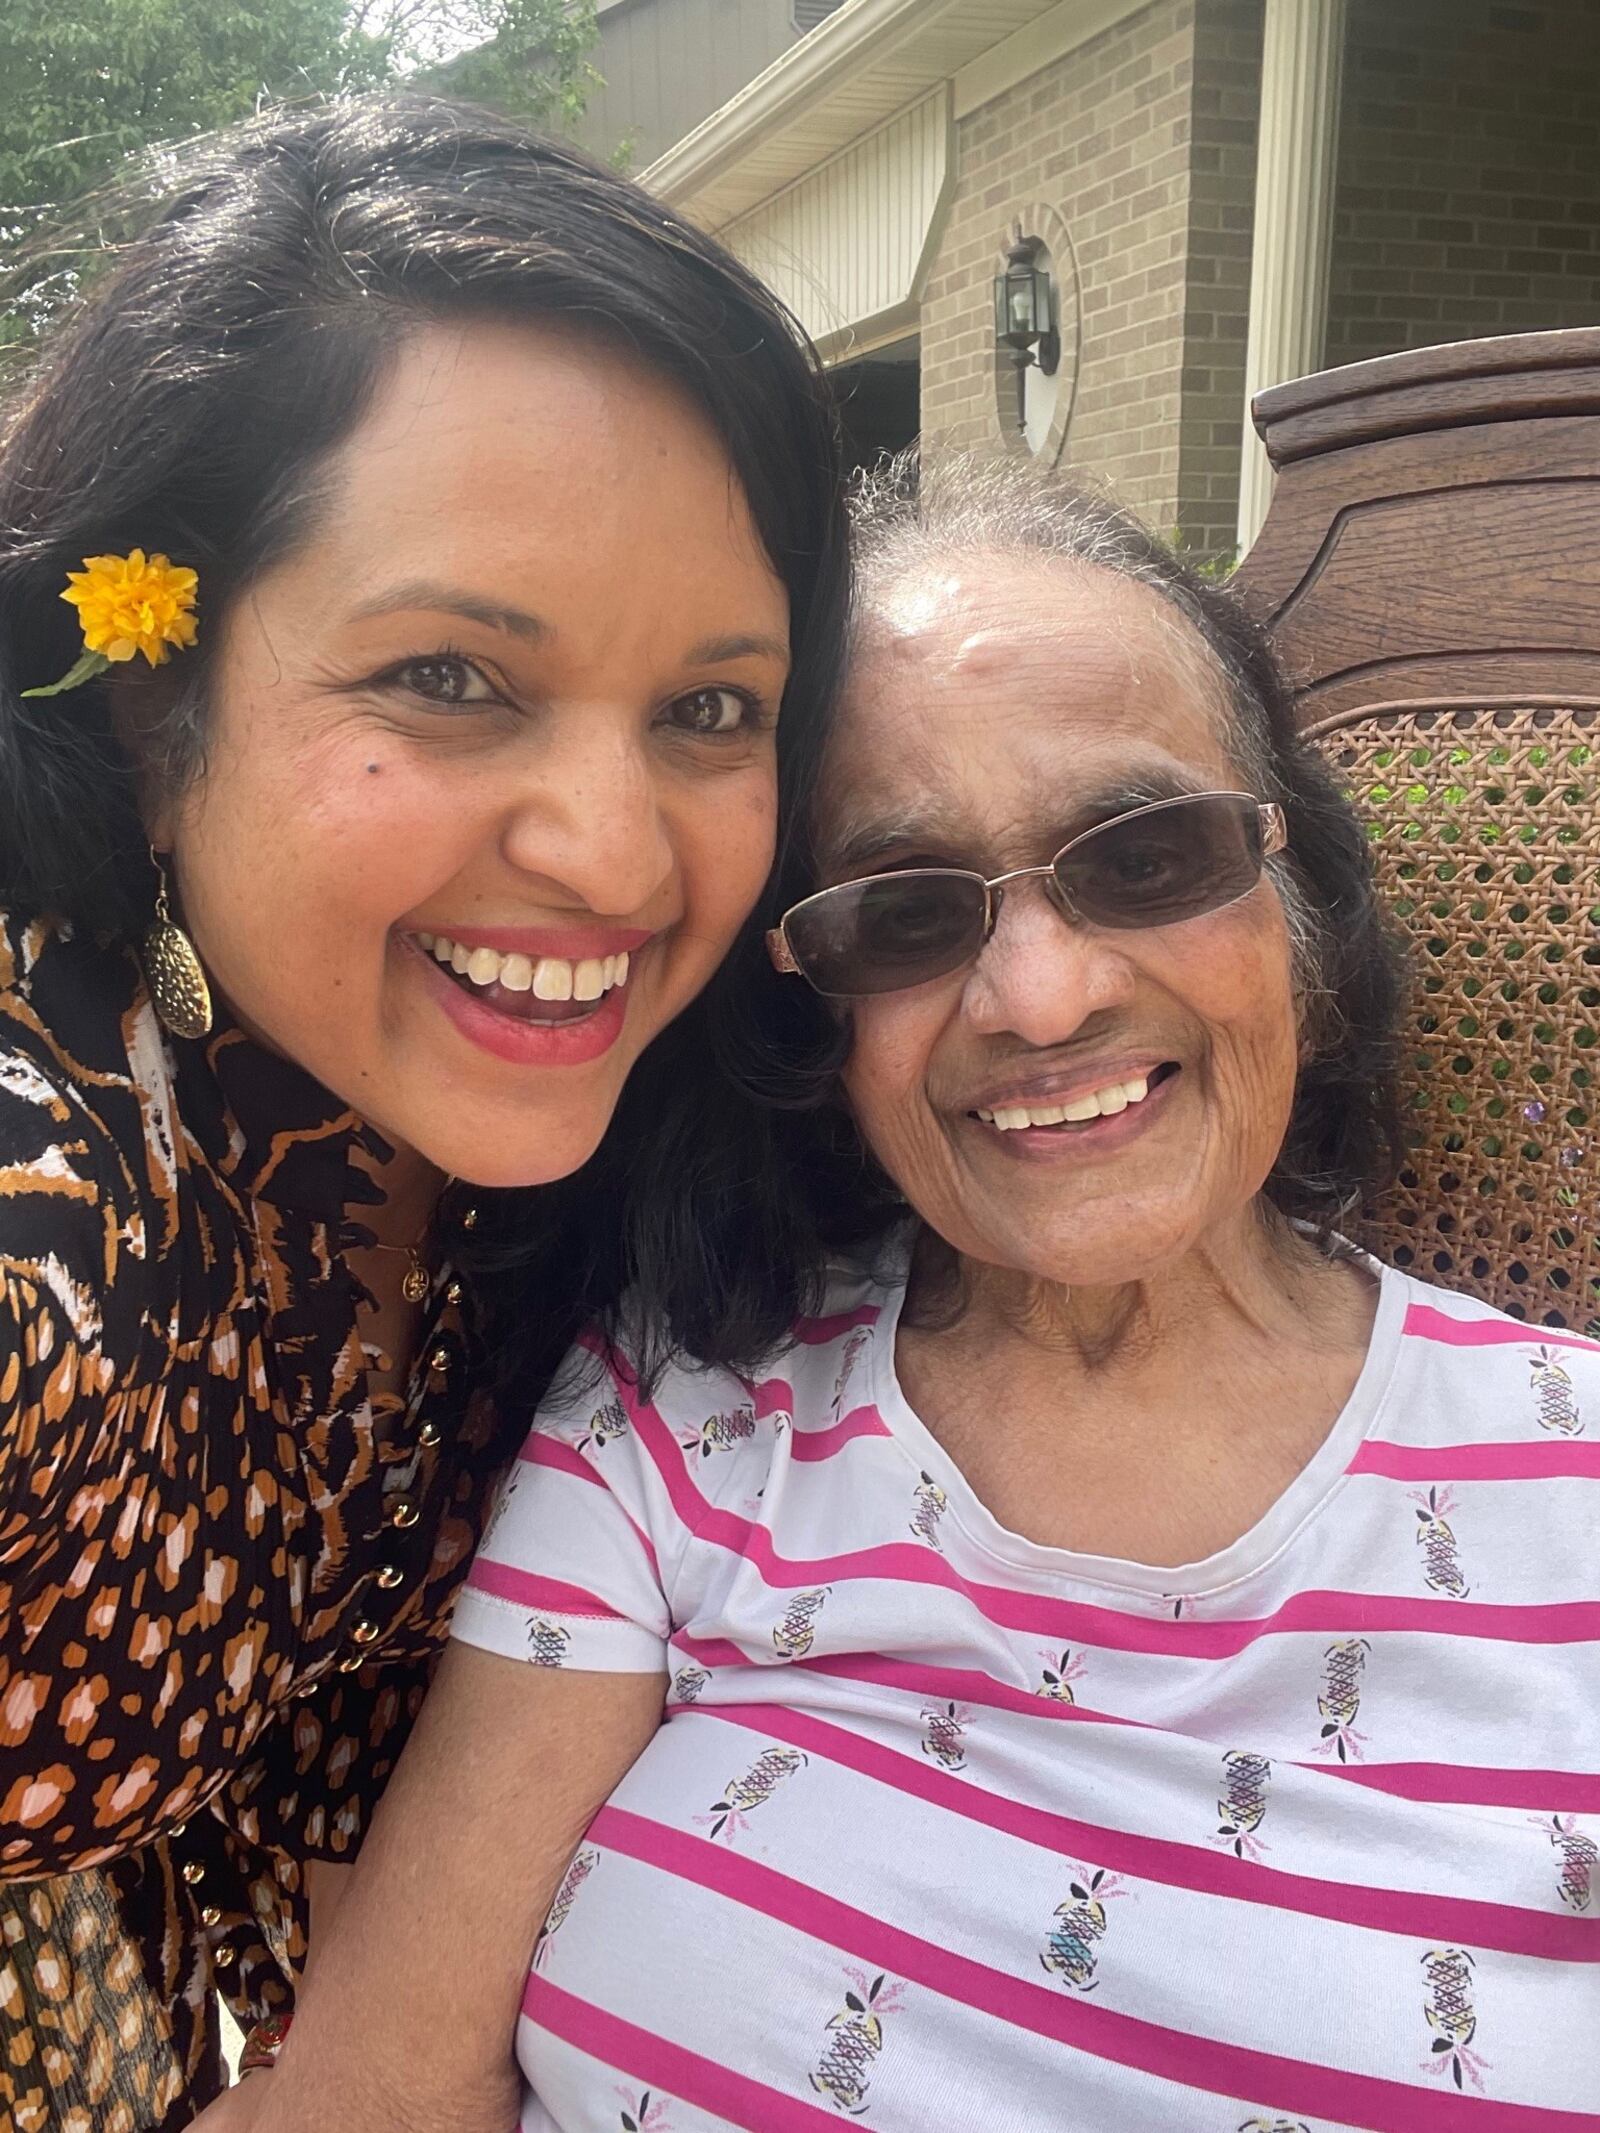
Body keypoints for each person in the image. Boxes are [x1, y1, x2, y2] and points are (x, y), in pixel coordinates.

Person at [205, 452, 1600, 2132]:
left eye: (1147, 854)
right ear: (813, 1007)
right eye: (908, 913)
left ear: (1296, 893)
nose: (1040, 992)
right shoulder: (682, 1417)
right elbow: (366, 2092)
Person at [0, 93, 847, 2129]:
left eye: (710, 708)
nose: (613, 851)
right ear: (147, 676)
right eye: (453, 677)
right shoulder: (52, 1184)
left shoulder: (545, 1146)